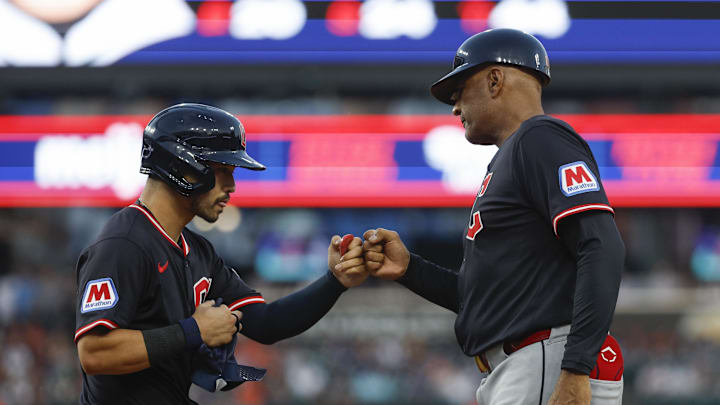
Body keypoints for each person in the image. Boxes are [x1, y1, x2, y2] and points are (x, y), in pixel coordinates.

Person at [360, 29, 625, 405]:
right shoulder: (512, 155)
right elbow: (486, 300)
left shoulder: (541, 138)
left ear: (495, 79)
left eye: (460, 92)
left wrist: (576, 367)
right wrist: (410, 270)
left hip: (546, 359)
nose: (454, 108)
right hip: (524, 363)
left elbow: (602, 246)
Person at [74, 103, 367, 405]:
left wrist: (336, 281)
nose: (232, 186)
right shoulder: (124, 244)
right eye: (222, 171)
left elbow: (266, 323)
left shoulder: (198, 251)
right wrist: (193, 331)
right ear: (182, 167)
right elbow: (95, 353)